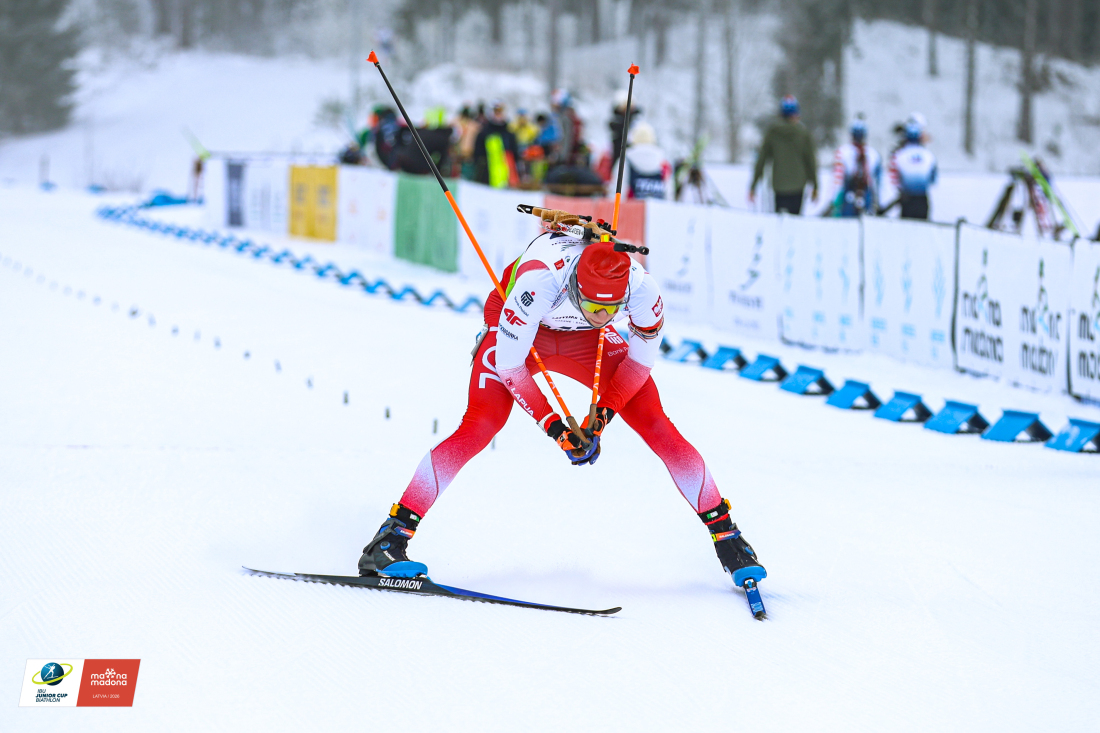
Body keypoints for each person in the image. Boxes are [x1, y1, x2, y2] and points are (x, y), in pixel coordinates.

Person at [357, 228, 767, 595]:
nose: (602, 315)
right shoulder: (539, 282)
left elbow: (639, 366)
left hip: (586, 340)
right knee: (481, 425)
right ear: (574, 285)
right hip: (521, 330)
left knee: (655, 422)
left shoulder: (643, 290)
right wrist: (556, 429)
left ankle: (728, 538)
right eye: (593, 306)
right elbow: (511, 367)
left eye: (611, 310)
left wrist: (600, 417)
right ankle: (390, 539)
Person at [749, 95, 818, 214]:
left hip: (779, 186)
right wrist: (815, 186)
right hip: (798, 186)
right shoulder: (803, 134)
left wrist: (753, 185)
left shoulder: (773, 132)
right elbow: (810, 162)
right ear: (796, 113)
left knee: (780, 219)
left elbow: (762, 160)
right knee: (795, 220)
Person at [831, 117, 882, 217]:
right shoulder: (873, 153)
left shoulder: (843, 152)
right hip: (861, 193)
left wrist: (833, 200)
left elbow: (837, 180)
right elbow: (878, 183)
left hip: (853, 194)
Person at [889, 117, 937, 220]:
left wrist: (902, 188)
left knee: (906, 227)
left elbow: (894, 178)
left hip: (906, 199)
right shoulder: (928, 155)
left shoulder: (899, 155)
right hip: (923, 199)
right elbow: (933, 179)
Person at [617, 122, 671, 201]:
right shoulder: (664, 163)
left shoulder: (625, 161)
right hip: (658, 208)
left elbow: (616, 193)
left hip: (631, 207)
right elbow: (669, 196)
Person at [473, 100, 519, 187]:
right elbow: (478, 154)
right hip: (486, 176)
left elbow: (514, 155)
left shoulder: (509, 134)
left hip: (506, 177)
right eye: (496, 111)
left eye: (500, 111)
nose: (498, 114)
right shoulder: (484, 133)